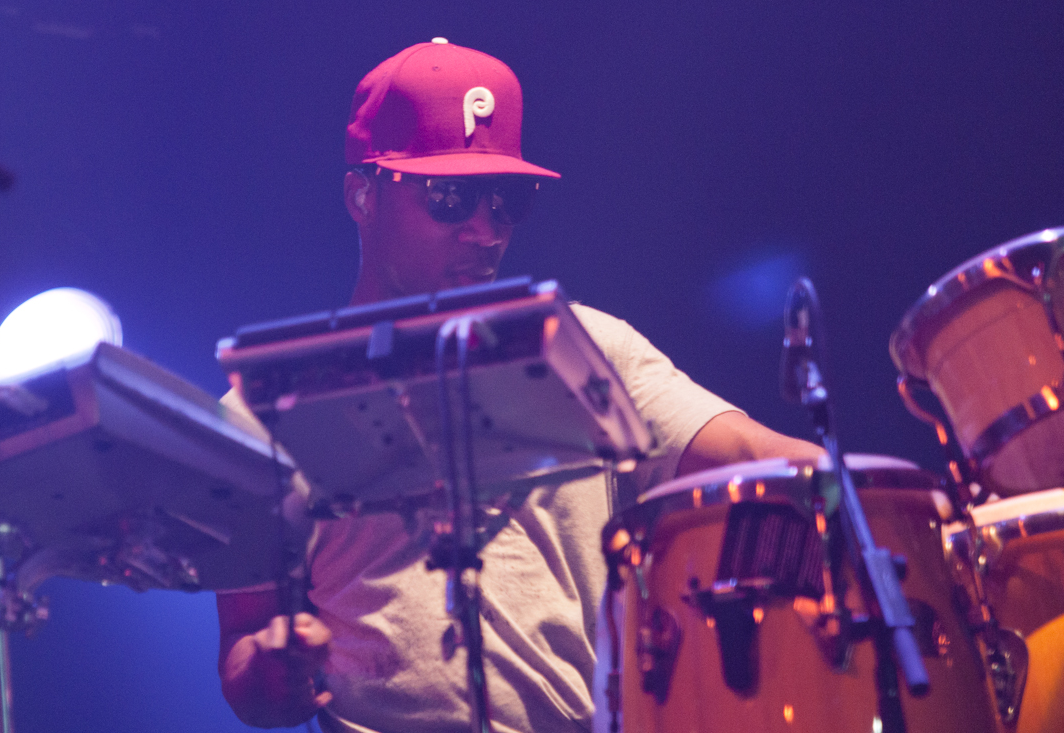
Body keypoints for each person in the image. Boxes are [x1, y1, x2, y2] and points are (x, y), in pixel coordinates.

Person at [216, 39, 822, 733]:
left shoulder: (582, 345)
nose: (485, 229)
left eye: (508, 200)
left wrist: (919, 502)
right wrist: (271, 670)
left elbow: (749, 450)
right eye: (450, 196)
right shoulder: (268, 407)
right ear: (362, 193)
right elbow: (242, 654)